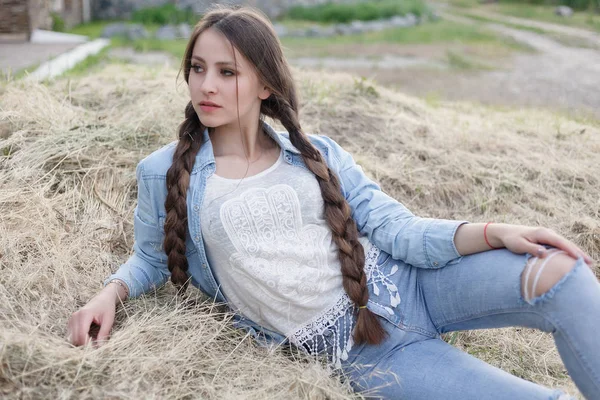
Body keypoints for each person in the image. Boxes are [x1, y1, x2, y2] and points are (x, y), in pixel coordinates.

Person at [67, 5, 600, 399]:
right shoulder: (165, 171)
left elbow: (397, 228)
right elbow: (152, 257)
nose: (206, 85)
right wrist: (108, 294)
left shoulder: (317, 154)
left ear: (265, 85)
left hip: (408, 285)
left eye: (227, 72)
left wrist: (495, 232)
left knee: (563, 275)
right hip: (365, 352)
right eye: (197, 68)